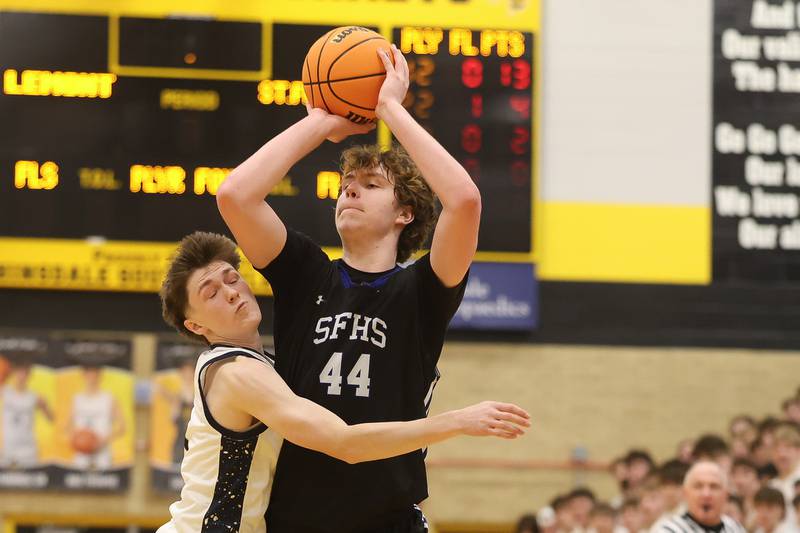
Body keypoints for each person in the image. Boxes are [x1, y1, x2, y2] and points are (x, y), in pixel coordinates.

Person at [216, 43, 482, 532]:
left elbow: (464, 200)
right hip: (296, 516)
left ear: (406, 214)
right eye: (345, 184)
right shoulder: (307, 273)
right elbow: (235, 195)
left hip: (388, 517)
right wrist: (320, 119)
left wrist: (390, 110)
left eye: (370, 185)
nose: (350, 191)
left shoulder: (423, 290)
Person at [157, 232, 529, 533]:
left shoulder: (263, 365)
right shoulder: (238, 374)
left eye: (232, 278)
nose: (232, 291)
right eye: (211, 293)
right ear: (196, 326)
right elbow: (345, 443)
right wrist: (458, 421)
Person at [650, 461, 745, 533]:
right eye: (698, 486)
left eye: (714, 486)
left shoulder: (735, 528)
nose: (706, 494)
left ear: (726, 495)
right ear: (685, 494)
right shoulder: (668, 530)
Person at [67, 365, 125, 470]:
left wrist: (102, 440)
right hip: (81, 454)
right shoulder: (77, 399)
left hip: (103, 454)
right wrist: (77, 438)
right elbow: (68, 426)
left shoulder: (109, 398)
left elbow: (122, 427)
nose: (92, 377)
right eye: (89, 373)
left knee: (104, 483)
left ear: (100, 375)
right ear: (83, 375)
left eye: (95, 373)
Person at [0, 360, 53, 468]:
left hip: (28, 450)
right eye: (19, 372)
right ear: (14, 373)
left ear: (29, 375)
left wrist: (45, 407)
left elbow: (51, 419)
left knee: (30, 482)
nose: (21, 376)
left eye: (25, 373)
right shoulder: (5, 391)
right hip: (8, 449)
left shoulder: (34, 396)